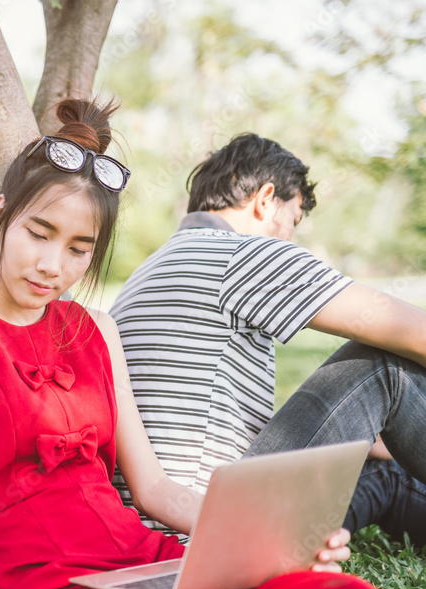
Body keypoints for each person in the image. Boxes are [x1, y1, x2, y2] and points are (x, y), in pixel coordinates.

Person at [0, 98, 426, 589]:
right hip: (48, 584)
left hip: (143, 554)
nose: (53, 264)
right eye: (39, 233)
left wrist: (270, 540)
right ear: (2, 215)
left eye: (79, 249)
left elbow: (154, 490)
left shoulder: (96, 330)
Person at [109, 133, 426, 545]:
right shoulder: (241, 254)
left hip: (154, 516)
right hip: (201, 521)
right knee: (383, 366)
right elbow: (409, 328)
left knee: (380, 471)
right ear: (265, 199)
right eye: (292, 222)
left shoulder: (153, 268)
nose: (291, 240)